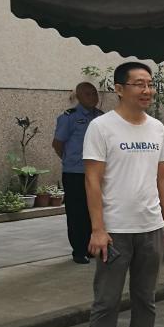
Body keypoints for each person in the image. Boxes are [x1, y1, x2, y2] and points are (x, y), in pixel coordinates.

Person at [82, 62, 164, 327]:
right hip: (114, 230)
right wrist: (98, 228)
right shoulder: (101, 127)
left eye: (149, 84)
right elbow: (92, 179)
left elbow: (163, 176)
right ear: (119, 89)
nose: (147, 90)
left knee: (145, 297)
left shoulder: (156, 128)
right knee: (106, 301)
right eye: (138, 84)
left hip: (150, 227)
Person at [52, 82, 103, 264]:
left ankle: (92, 247)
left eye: (94, 93)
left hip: (96, 173)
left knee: (94, 210)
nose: (93, 97)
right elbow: (57, 144)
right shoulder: (69, 117)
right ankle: (79, 250)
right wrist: (70, 160)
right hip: (75, 172)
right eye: (88, 94)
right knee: (77, 212)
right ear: (79, 97)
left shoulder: (101, 117)